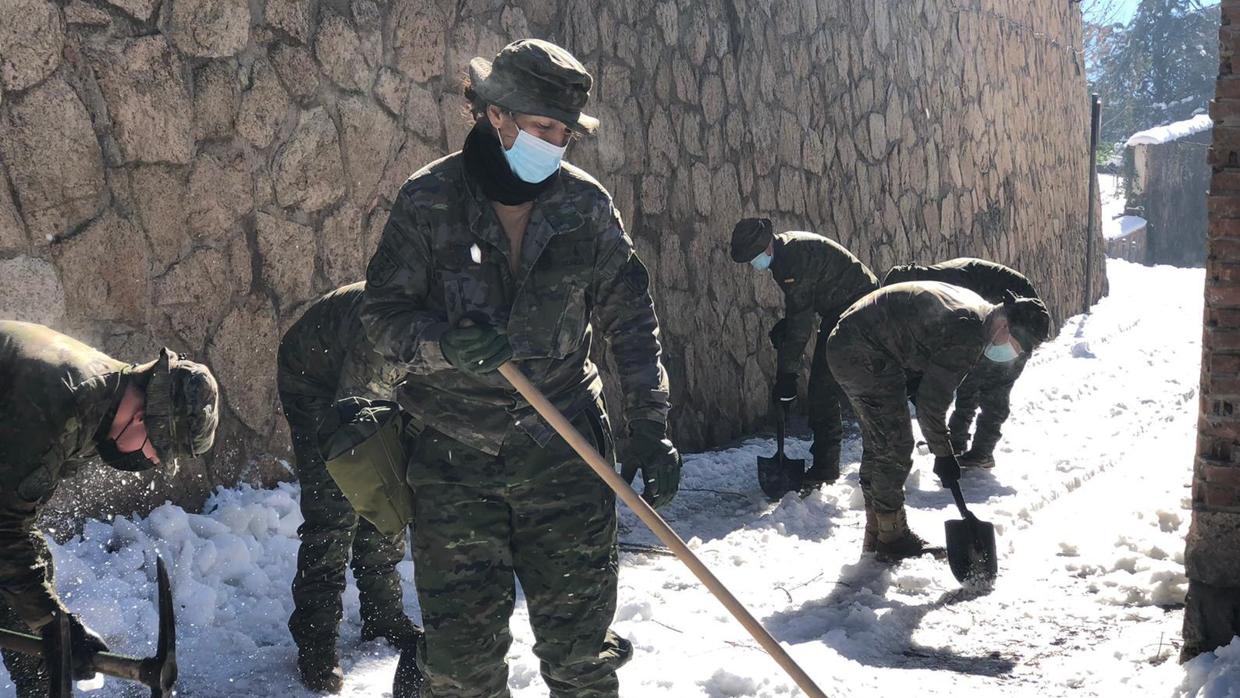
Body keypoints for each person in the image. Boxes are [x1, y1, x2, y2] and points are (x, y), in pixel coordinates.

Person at [359, 39, 680, 697]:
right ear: (496, 114)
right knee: (462, 672)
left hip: (564, 456)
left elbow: (631, 320)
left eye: (564, 133)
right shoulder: (428, 200)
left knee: (584, 662)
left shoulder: (585, 208)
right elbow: (380, 319)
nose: (556, 144)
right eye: (543, 128)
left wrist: (651, 423)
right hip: (453, 468)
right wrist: (443, 343)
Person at [0, 320, 219, 696]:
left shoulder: (102, 407)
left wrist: (53, 623)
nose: (151, 463)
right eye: (157, 452)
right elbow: (4, 527)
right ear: (141, 419)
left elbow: (17, 521)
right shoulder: (63, 402)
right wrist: (54, 623)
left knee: (24, 595)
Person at [825, 283, 1051, 561]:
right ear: (1005, 327)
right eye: (1015, 346)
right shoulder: (969, 334)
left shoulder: (979, 311)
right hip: (862, 351)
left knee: (881, 440)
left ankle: (878, 530)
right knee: (895, 444)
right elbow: (931, 406)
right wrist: (944, 454)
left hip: (854, 342)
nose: (1011, 354)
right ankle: (891, 539)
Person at [277, 282, 421, 694]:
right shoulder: (385, 338)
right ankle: (316, 642)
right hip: (314, 383)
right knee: (336, 505)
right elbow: (358, 433)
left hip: (361, 379)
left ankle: (383, 614)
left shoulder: (443, 328)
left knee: (389, 490)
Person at [729, 218, 878, 488]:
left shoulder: (793, 259)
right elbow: (802, 306)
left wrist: (787, 376)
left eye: (753, 257)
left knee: (823, 388)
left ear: (766, 247)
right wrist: (787, 328)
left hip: (857, 311)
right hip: (842, 309)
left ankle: (827, 465)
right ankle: (827, 462)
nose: (754, 263)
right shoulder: (784, 256)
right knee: (825, 387)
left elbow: (800, 327)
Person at [883, 258, 1044, 469]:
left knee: (995, 386)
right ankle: (956, 441)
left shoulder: (944, 286)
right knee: (969, 374)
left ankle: (982, 452)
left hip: (1020, 325)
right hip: (998, 319)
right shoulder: (931, 288)